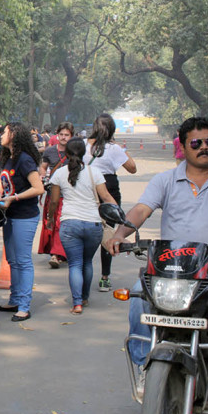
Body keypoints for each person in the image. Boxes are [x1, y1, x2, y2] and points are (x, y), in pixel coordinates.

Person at [104, 116, 208, 411]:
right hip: (174, 262)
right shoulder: (165, 180)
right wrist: (119, 234)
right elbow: (142, 209)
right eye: (196, 142)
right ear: (183, 146)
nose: (204, 147)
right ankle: (145, 367)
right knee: (137, 295)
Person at [46, 138, 117, 313]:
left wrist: (50, 219)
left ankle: (76, 303)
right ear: (85, 153)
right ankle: (85, 298)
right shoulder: (95, 173)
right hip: (92, 223)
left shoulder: (60, 174)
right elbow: (106, 197)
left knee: (75, 264)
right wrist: (120, 217)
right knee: (87, 262)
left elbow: (54, 202)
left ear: (66, 154)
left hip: (70, 224)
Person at [0, 123, 45, 322]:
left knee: (23, 261)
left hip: (25, 215)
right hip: (10, 215)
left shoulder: (24, 160)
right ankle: (15, 299)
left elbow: (38, 188)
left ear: (14, 134)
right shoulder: (9, 158)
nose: (1, 135)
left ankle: (24, 306)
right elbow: (4, 183)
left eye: (5, 132)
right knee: (13, 261)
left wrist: (13, 198)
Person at [85, 114, 137, 292]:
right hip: (109, 190)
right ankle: (105, 277)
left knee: (90, 230)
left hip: (88, 189)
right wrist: (122, 149)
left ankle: (84, 273)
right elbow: (132, 168)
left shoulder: (84, 145)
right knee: (107, 232)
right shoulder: (114, 148)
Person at [38, 122, 73, 269]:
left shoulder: (75, 152)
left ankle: (57, 254)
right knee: (50, 222)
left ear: (71, 136)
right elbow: (43, 167)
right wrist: (42, 177)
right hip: (53, 193)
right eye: (61, 134)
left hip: (69, 195)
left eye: (67, 135)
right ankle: (54, 252)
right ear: (56, 135)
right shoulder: (50, 151)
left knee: (61, 224)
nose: (63, 138)